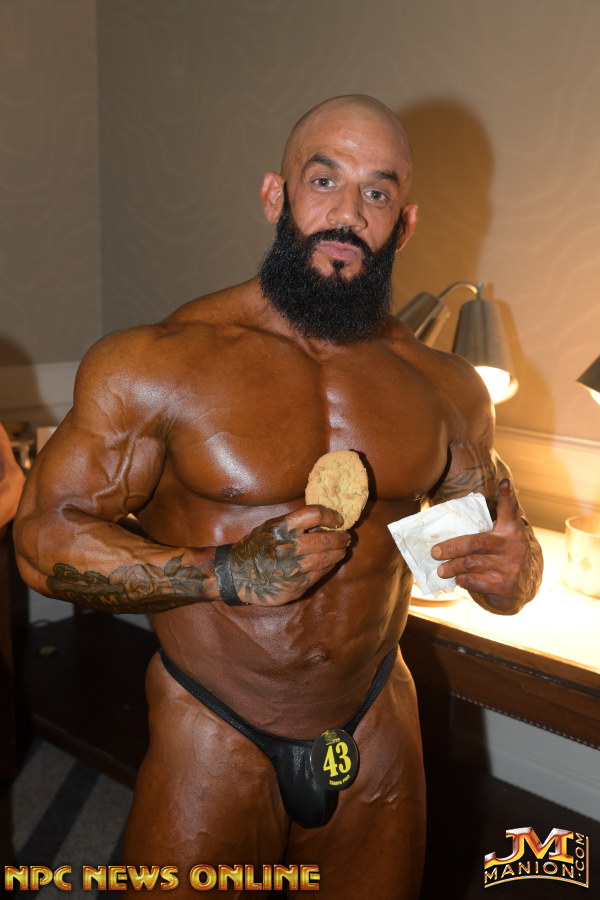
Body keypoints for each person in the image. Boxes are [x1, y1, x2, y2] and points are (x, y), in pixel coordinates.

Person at [14, 95, 543, 899]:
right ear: (275, 195)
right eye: (324, 180)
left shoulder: (447, 388)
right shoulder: (158, 363)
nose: (347, 214)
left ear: (403, 223)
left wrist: (514, 574)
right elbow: (42, 542)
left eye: (376, 192)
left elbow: (498, 552)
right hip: (214, 725)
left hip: (374, 721)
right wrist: (224, 573)